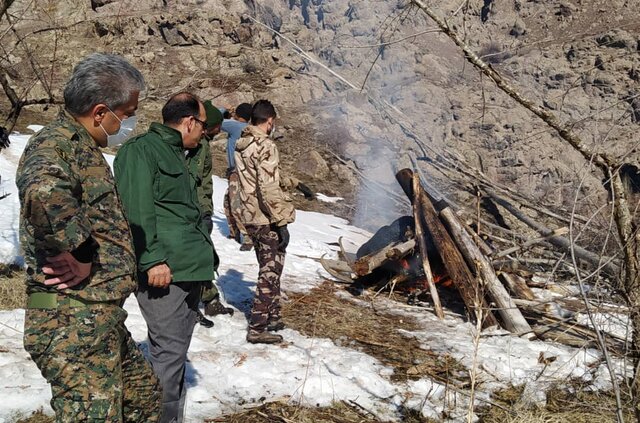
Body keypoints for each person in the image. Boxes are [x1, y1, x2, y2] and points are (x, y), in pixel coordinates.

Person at [15, 53, 162, 422]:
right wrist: (80, 250)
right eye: (127, 114)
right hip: (71, 322)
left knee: (141, 399)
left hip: (97, 316)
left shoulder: (81, 146)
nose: (128, 123)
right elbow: (44, 191)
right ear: (100, 112)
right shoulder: (55, 144)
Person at [114, 92, 216, 423]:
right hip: (165, 271)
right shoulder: (141, 150)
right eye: (202, 125)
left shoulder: (179, 154)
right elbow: (136, 209)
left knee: (175, 354)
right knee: (168, 354)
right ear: (189, 122)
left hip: (188, 269)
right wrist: (152, 259)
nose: (204, 132)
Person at [234, 99, 295, 344]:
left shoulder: (243, 144)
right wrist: (280, 221)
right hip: (265, 216)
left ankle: (273, 315)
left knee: (270, 265)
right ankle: (258, 327)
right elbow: (267, 187)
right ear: (269, 121)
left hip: (250, 215)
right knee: (270, 272)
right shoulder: (266, 145)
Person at [188, 100, 234, 328]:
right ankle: (190, 306)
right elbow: (195, 181)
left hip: (201, 209)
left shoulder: (202, 143)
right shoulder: (197, 146)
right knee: (195, 260)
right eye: (216, 127)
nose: (219, 131)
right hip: (192, 212)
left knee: (203, 258)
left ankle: (207, 298)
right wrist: (201, 211)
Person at [221, 103, 253, 251]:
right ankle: (234, 232)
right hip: (240, 172)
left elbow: (214, 119)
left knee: (235, 203)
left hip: (237, 172)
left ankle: (247, 236)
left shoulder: (235, 126)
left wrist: (225, 110)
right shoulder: (247, 128)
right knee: (228, 201)